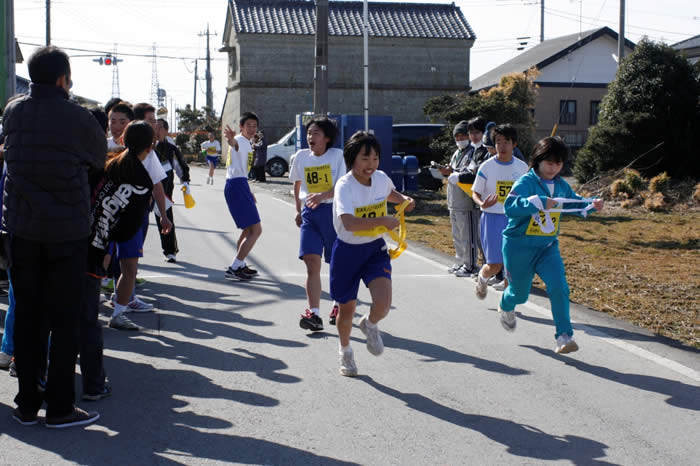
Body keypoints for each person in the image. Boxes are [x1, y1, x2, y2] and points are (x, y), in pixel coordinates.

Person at [3, 46, 104, 427]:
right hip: (66, 233)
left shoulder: (13, 110)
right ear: (64, 78)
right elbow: (97, 159)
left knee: (28, 317)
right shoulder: (77, 117)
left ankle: (26, 404)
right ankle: (60, 407)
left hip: (22, 229)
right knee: (64, 321)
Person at [499, 136, 603, 354]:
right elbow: (510, 206)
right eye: (549, 162)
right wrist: (535, 202)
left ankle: (564, 336)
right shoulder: (526, 183)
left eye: (558, 163)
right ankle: (506, 304)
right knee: (519, 295)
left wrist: (592, 204)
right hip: (518, 247)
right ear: (538, 161)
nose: (553, 168)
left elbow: (574, 203)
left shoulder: (561, 185)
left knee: (559, 287)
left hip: (547, 248)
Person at [82, 121, 155, 401]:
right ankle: (94, 385)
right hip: (98, 250)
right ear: (150, 148)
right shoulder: (142, 182)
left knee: (60, 313)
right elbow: (127, 230)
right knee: (87, 322)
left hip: (73, 237)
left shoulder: (106, 165)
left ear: (123, 139)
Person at [331, 131, 415, 376]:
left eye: (375, 158)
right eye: (365, 159)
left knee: (384, 304)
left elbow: (391, 194)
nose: (371, 165)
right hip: (347, 251)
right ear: (352, 159)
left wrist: (404, 200)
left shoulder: (381, 178)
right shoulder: (344, 186)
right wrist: (382, 219)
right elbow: (348, 222)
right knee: (347, 309)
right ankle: (345, 350)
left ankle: (369, 324)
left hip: (375, 249)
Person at [108, 103, 172, 330]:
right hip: (130, 224)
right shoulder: (145, 164)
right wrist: (164, 216)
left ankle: (88, 308)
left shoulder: (111, 159)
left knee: (102, 265)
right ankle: (118, 312)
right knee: (129, 269)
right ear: (151, 143)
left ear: (124, 138)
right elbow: (157, 188)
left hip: (106, 220)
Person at [289, 118, 345, 332]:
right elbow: (297, 183)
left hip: (333, 214)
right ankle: (314, 314)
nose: (311, 137)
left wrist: (322, 196)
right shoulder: (301, 156)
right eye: (309, 133)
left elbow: (341, 185)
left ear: (327, 138)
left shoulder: (337, 156)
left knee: (337, 264)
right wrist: (297, 209)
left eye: (316, 133)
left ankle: (338, 304)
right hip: (310, 214)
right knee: (311, 263)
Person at [471, 124, 528, 300]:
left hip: (515, 220)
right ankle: (482, 279)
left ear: (514, 144)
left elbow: (530, 193)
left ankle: (507, 295)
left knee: (515, 263)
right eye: (498, 142)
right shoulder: (487, 167)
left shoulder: (523, 168)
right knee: (495, 264)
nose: (502, 146)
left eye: (506, 142)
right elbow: (475, 192)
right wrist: (482, 203)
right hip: (492, 218)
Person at [441, 117, 489, 278]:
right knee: (458, 235)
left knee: (469, 236)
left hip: (466, 201)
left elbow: (468, 174)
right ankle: (461, 261)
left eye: (463, 136)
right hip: (453, 200)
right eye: (457, 137)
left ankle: (470, 265)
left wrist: (454, 173)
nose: (460, 140)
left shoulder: (474, 151)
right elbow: (455, 170)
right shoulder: (457, 152)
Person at [222, 112, 263, 281]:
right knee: (256, 229)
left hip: (240, 185)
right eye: (249, 125)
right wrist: (230, 140)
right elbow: (234, 144)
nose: (252, 129)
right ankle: (234, 267)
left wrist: (248, 190)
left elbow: (241, 170)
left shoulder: (247, 142)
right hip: (236, 186)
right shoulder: (239, 140)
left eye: (254, 126)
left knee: (248, 229)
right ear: (241, 127)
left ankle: (240, 264)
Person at [155, 119, 190, 263]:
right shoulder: (144, 147)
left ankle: (170, 251)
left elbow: (180, 166)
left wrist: (185, 182)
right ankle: (133, 256)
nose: (156, 131)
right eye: (154, 127)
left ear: (166, 130)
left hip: (164, 191)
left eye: (160, 128)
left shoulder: (171, 149)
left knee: (165, 219)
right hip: (144, 191)